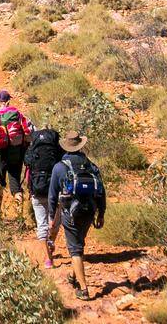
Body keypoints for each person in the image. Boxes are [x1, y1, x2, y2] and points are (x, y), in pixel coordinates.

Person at [48, 132, 106, 300]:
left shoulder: (59, 167)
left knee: (74, 249)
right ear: (80, 146)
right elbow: (101, 192)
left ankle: (83, 289)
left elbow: (52, 195)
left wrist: (52, 217)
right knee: (79, 244)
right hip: (89, 211)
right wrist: (101, 212)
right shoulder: (91, 165)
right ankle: (75, 276)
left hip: (70, 213)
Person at [0, 89, 30, 221]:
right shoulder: (17, 113)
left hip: (0, 153)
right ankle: (20, 216)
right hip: (16, 153)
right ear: (8, 101)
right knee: (15, 181)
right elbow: (25, 132)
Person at [23, 125, 63, 267]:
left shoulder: (32, 149)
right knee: (55, 223)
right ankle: (50, 242)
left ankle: (48, 259)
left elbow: (27, 162)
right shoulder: (58, 150)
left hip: (37, 190)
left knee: (42, 225)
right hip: (55, 191)